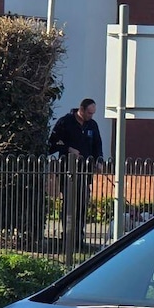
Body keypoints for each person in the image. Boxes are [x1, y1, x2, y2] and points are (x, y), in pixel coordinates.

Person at [48, 99, 102, 254]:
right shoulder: (65, 122)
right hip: (67, 171)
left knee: (83, 201)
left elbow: (98, 145)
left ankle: (79, 237)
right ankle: (68, 237)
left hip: (85, 171)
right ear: (81, 109)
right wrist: (68, 149)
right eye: (89, 113)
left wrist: (99, 161)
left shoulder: (92, 125)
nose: (91, 116)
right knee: (70, 203)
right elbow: (52, 144)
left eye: (93, 113)